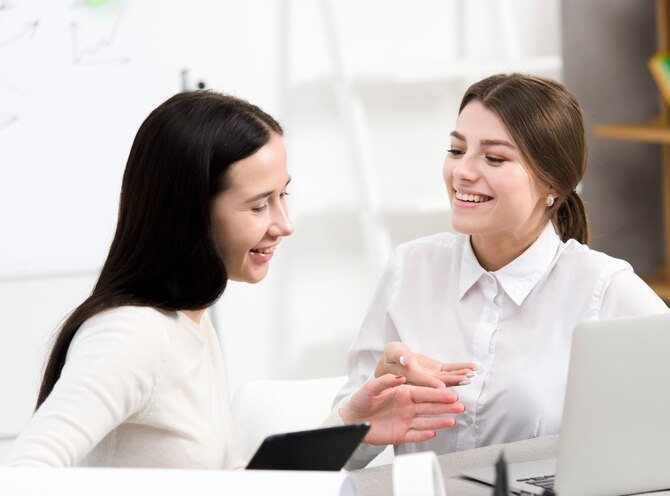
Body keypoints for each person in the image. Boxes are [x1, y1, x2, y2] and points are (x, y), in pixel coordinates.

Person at [5, 90, 464, 468]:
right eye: (259, 204)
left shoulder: (190, 323)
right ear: (191, 214)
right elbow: (26, 481)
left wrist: (351, 428)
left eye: (283, 196)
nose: (284, 223)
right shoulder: (130, 336)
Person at [333, 73, 670, 468]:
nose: (463, 172)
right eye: (457, 150)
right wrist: (362, 421)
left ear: (553, 184)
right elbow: (340, 452)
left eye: (494, 158)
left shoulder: (604, 290)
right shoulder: (410, 270)